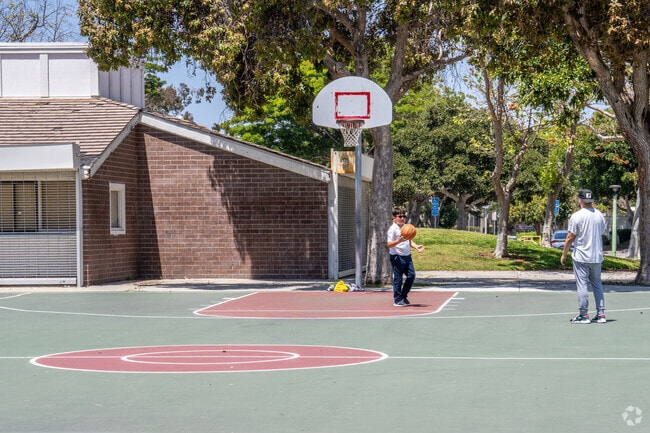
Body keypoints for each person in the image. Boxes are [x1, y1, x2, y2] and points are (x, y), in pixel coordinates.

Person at [560, 189, 607, 324]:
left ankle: (583, 315)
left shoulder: (576, 216)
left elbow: (570, 237)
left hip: (581, 256)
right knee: (597, 284)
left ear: (580, 200)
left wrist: (564, 254)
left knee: (582, 285)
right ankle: (601, 314)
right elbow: (601, 232)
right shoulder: (600, 215)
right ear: (591, 200)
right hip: (596, 256)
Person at [387, 207, 424, 306]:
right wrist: (398, 241)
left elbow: (409, 240)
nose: (402, 218)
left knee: (411, 276)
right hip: (397, 256)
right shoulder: (392, 229)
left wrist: (416, 247)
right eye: (400, 216)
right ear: (394, 217)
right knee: (398, 279)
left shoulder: (406, 227)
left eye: (404, 216)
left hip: (407, 256)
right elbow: (389, 244)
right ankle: (397, 300)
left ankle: (403, 296)